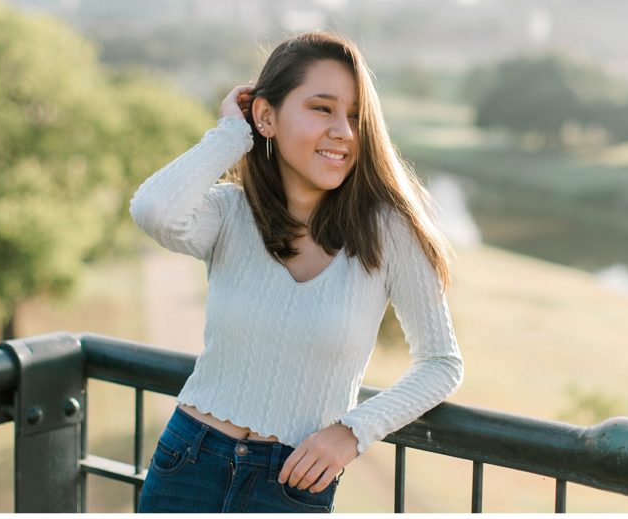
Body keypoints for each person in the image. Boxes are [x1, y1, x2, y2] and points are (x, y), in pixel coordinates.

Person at [130, 31, 463, 513]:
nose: (344, 133)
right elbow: (154, 211)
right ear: (267, 116)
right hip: (188, 461)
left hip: (290, 484)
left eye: (354, 116)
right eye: (323, 108)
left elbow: (441, 363)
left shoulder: (389, 232)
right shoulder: (229, 214)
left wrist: (351, 432)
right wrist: (230, 132)